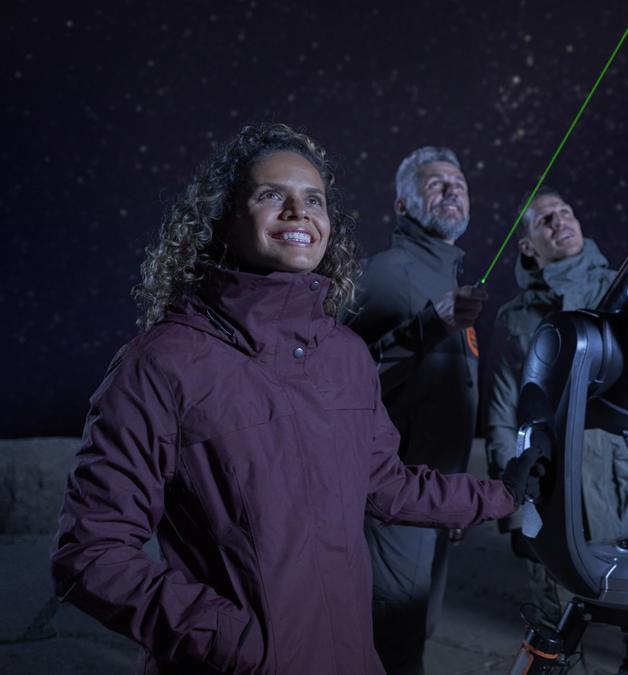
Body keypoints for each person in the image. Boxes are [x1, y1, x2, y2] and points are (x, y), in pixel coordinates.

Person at [49, 124, 543, 674]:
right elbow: (91, 552)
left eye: (314, 199)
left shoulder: (347, 355)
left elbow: (384, 484)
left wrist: (502, 495)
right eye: (269, 195)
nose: (298, 212)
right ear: (222, 218)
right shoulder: (163, 364)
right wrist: (237, 643)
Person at [485, 190, 628, 627]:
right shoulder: (515, 319)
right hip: (557, 490)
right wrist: (512, 506)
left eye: (566, 212)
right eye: (545, 220)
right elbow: (502, 413)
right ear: (528, 246)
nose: (560, 222)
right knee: (558, 624)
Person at [342, 146, 487, 674]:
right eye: (435, 183)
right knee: (391, 640)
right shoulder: (385, 274)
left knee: (416, 629)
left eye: (460, 182)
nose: (452, 189)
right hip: (390, 502)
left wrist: (454, 491)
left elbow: (443, 403)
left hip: (433, 499)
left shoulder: (446, 279)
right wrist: (427, 325)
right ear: (402, 206)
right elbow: (333, 386)